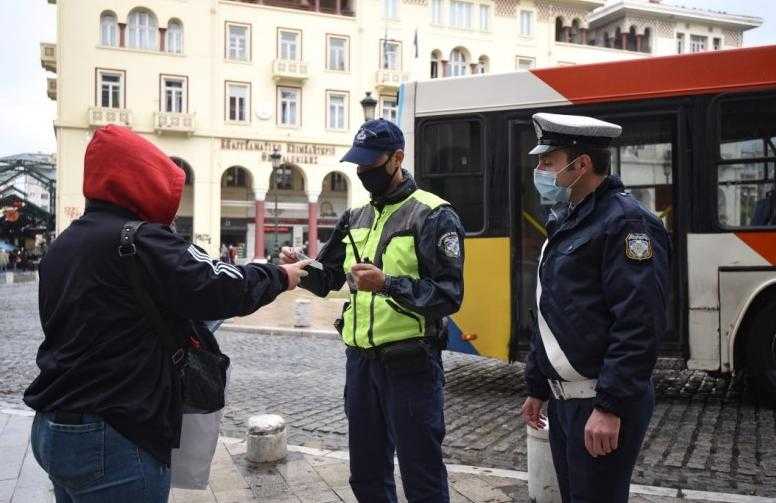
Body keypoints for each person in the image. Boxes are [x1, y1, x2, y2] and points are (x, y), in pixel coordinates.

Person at [24, 125, 310, 503]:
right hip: (114, 432)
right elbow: (217, 283)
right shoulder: (139, 239)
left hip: (53, 428)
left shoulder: (65, 244)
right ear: (142, 180)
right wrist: (279, 275)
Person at [281, 118, 465, 502]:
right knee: (366, 473)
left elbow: (447, 296)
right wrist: (297, 266)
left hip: (411, 365)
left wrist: (387, 283)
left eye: (371, 162)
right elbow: (328, 276)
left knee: (422, 474)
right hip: (361, 364)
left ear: (397, 158)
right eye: (358, 163)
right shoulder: (355, 216)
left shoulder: (433, 214)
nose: (363, 171)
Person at [520, 113, 671, 503]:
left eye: (547, 162)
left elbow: (639, 323)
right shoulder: (570, 221)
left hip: (599, 402)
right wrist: (538, 385)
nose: (538, 170)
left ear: (581, 164)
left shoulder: (626, 223)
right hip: (567, 400)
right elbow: (551, 311)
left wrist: (610, 406)